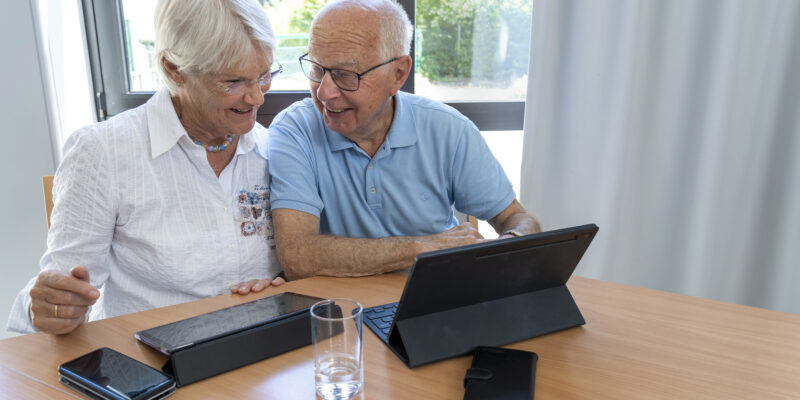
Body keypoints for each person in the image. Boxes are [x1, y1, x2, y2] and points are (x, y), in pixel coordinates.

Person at [8, 0, 285, 335]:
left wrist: (284, 288)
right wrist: (51, 306)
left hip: (258, 353)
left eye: (264, 75)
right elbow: (56, 296)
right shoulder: (104, 152)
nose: (257, 98)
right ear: (173, 69)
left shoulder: (275, 149)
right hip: (147, 362)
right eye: (233, 82)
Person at [267, 0, 541, 280]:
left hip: (433, 299)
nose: (324, 93)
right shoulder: (294, 129)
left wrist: (511, 244)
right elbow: (297, 255)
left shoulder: (449, 129)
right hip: (342, 310)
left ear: (398, 74)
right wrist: (425, 248)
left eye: (346, 75)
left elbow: (517, 218)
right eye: (316, 69)